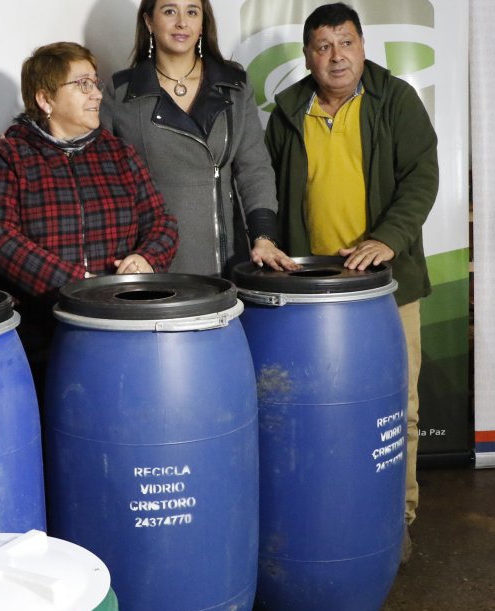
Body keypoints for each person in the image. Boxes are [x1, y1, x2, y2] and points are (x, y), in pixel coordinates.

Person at [264, 2, 439, 561]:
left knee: (398, 409)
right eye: (323, 46)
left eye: (345, 42)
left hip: (387, 286)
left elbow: (422, 175)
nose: (335, 56)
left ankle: (398, 516)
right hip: (310, 295)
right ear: (307, 55)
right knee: (313, 410)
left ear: (363, 45)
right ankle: (323, 513)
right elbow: (265, 186)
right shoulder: (288, 110)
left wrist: (389, 236)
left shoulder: (396, 100)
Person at [0, 41, 178, 381]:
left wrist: (148, 259)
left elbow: (162, 221)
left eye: (96, 83)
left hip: (121, 324)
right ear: (45, 99)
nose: (97, 94)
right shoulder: (7, 155)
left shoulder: (119, 153)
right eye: (83, 84)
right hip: (40, 332)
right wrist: (76, 286)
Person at [99, 0, 297, 276]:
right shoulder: (122, 92)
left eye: (192, 12)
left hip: (229, 259)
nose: (182, 22)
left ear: (203, 23)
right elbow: (103, 184)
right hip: (152, 260)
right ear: (148, 21)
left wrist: (264, 237)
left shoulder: (235, 84)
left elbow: (255, 168)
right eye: (169, 11)